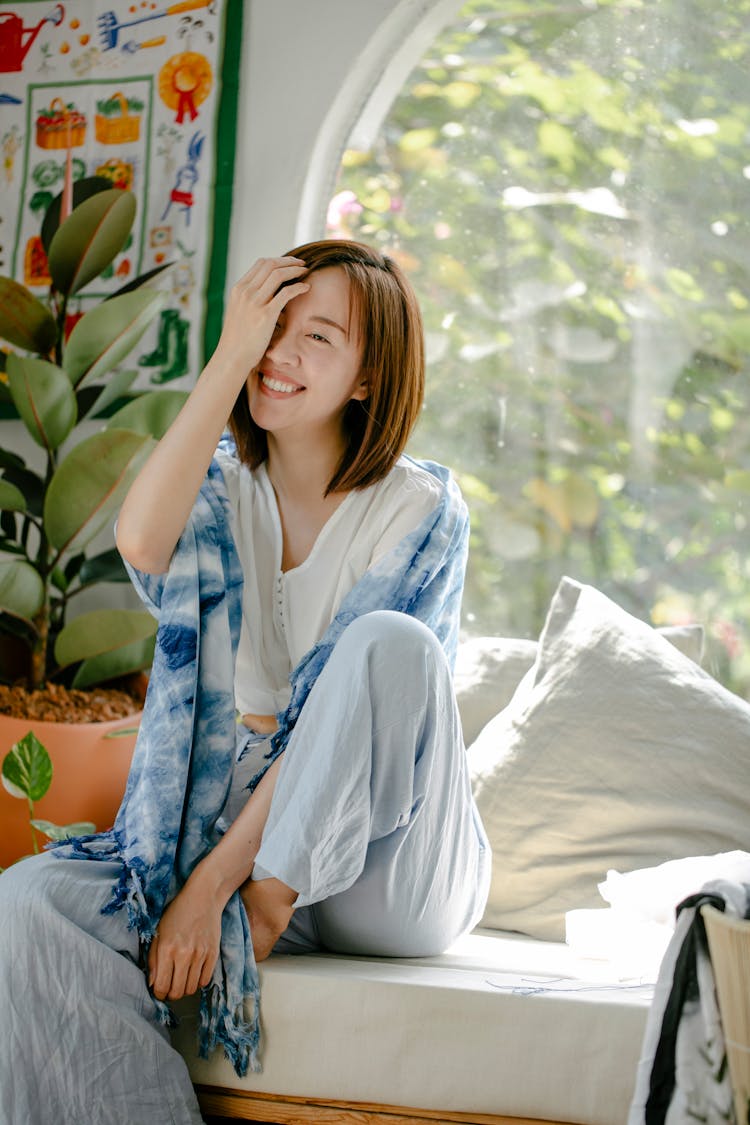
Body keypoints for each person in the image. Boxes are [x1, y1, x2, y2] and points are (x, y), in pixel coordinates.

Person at [0, 240, 490, 1124]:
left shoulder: (421, 509)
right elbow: (143, 544)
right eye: (274, 326)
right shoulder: (224, 491)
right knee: (29, 901)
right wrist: (230, 354)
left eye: (319, 338)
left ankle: (265, 905)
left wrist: (226, 885)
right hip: (254, 819)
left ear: (369, 379)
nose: (281, 353)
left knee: (386, 643)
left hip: (390, 867)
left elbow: (335, 727)